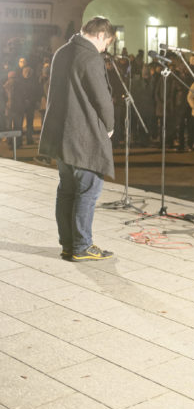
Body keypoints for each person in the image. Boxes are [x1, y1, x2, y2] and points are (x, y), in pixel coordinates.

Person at [38, 16, 116, 261]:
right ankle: (82, 246)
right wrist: (110, 126)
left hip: (62, 135)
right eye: (107, 43)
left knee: (67, 190)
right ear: (101, 35)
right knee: (88, 189)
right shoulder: (90, 56)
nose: (106, 49)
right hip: (83, 135)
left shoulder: (62, 51)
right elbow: (101, 97)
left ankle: (68, 244)